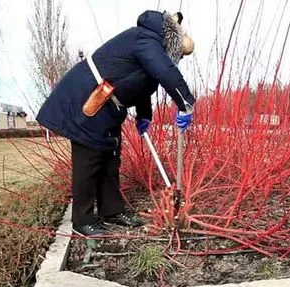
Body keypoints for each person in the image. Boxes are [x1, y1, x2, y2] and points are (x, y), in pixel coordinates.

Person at [36, 10, 196, 236]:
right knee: (89, 160)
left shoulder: (149, 45)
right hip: (89, 98)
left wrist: (144, 117)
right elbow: (164, 72)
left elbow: (143, 86)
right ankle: (82, 221)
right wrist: (185, 101)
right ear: (174, 43)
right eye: (180, 54)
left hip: (109, 106)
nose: (178, 59)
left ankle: (112, 211)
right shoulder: (145, 38)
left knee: (110, 159)